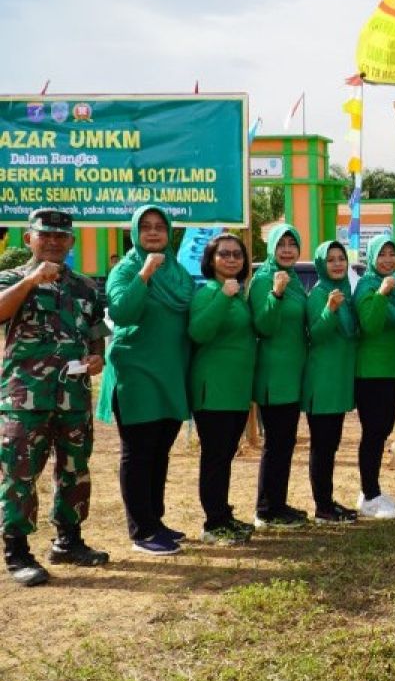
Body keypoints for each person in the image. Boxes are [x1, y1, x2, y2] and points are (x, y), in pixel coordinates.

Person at [0, 210, 109, 586]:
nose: (52, 242)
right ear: (28, 239)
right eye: (44, 235)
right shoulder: (12, 278)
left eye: (60, 237)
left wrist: (98, 357)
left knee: (74, 469)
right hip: (25, 398)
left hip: (73, 397)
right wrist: (30, 281)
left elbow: (96, 332)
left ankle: (69, 541)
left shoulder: (85, 287)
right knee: (19, 474)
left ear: (71, 243)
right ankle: (17, 551)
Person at [98, 205, 195, 556]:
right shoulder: (124, 270)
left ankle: (156, 519)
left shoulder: (179, 272)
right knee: (138, 453)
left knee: (159, 452)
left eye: (160, 227)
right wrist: (144, 275)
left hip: (170, 374)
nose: (153, 233)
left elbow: (191, 308)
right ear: (135, 233)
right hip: (136, 374)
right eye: (146, 227)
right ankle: (141, 530)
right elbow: (122, 311)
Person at [188, 233, 257, 545]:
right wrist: (224, 296)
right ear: (211, 260)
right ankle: (213, 523)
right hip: (213, 390)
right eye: (224, 254)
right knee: (215, 458)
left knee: (225, 455)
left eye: (237, 255)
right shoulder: (209, 293)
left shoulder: (237, 294)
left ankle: (223, 515)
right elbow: (199, 332)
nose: (232, 259)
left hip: (236, 391)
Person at [250, 224, 309, 528]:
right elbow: (264, 325)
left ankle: (278, 502)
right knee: (275, 443)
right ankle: (265, 509)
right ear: (272, 248)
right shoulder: (264, 279)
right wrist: (276, 292)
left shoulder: (296, 280)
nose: (287, 249)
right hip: (273, 376)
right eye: (281, 244)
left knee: (285, 442)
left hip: (291, 374)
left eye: (292, 243)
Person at [301, 241, 359, 524]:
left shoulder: (345, 293)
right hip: (321, 384)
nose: (337, 264)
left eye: (341, 259)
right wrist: (329, 309)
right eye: (331, 259)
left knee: (331, 444)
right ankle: (322, 507)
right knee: (322, 447)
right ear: (322, 264)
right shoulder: (319, 294)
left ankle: (328, 501)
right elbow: (316, 335)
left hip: (337, 382)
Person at [352, 234, 395, 519]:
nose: (387, 260)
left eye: (391, 253)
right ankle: (370, 494)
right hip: (371, 372)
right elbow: (370, 326)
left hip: (392, 370)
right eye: (381, 254)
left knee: (382, 431)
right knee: (373, 433)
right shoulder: (367, 286)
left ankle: (369, 490)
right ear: (372, 258)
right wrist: (382, 294)